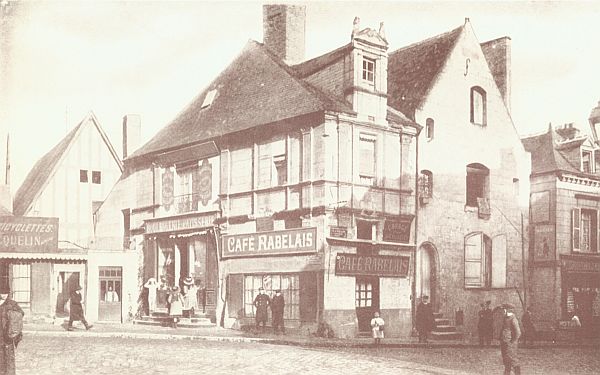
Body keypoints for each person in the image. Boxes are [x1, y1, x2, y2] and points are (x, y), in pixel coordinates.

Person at [0, 284, 24, 375]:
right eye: (2, 293)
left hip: (7, 335)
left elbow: (20, 314)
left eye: (6, 293)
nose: (4, 295)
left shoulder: (12, 304)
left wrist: (12, 317)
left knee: (8, 358)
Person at [498, 303, 521, 375]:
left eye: (503, 309)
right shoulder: (505, 318)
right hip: (504, 341)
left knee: (513, 360)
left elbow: (518, 332)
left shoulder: (513, 319)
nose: (502, 311)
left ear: (506, 310)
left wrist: (512, 341)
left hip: (510, 343)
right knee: (506, 360)